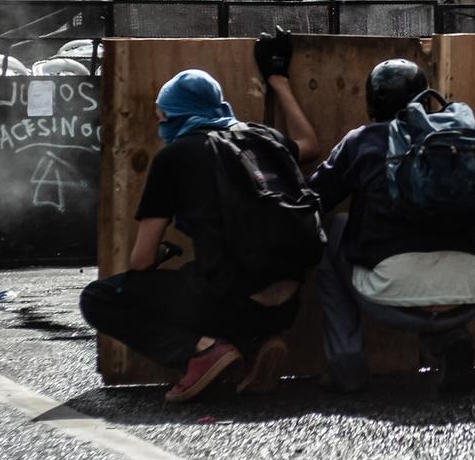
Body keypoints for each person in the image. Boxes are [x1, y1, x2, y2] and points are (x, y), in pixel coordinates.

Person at [79, 54, 320, 403]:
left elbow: (141, 261)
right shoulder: (264, 138)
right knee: (216, 277)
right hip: (287, 305)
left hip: (226, 301)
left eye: (162, 116)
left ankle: (202, 350)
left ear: (176, 115)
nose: (161, 124)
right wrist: (278, 81)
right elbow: (309, 144)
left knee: (98, 298)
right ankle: (255, 345)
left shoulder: (175, 156)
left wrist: (162, 253)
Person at [284, 56, 475, 396]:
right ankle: (450, 339)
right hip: (468, 292)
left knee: (331, 229)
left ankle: (346, 363)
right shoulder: (456, 138)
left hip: (391, 294)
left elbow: (313, 199)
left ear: (371, 103)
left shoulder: (362, 141)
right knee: (454, 227)